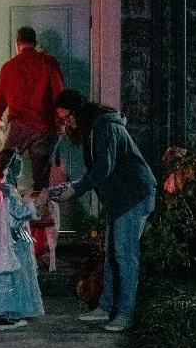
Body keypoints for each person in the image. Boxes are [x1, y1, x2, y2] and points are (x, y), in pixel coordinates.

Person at [53, 89, 156, 333]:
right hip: (120, 199)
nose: (66, 123)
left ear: (77, 111)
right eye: (61, 119)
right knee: (111, 254)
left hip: (134, 196)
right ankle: (105, 306)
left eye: (66, 117)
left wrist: (75, 190)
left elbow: (103, 168)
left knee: (124, 255)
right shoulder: (92, 130)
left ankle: (125, 313)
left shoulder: (104, 128)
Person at [0, 148, 45, 330]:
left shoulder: (5, 187)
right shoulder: (7, 189)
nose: (20, 166)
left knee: (14, 275)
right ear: (10, 166)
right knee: (10, 275)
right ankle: (3, 316)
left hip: (12, 235)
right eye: (18, 163)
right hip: (11, 238)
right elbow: (19, 213)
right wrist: (36, 203)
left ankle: (10, 315)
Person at [0, 26, 65, 191]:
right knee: (41, 181)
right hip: (44, 127)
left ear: (18, 44)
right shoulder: (50, 63)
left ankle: (10, 209)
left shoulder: (8, 67)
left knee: (3, 172)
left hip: (18, 127)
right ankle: (40, 213)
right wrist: (61, 122)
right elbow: (60, 96)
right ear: (35, 42)